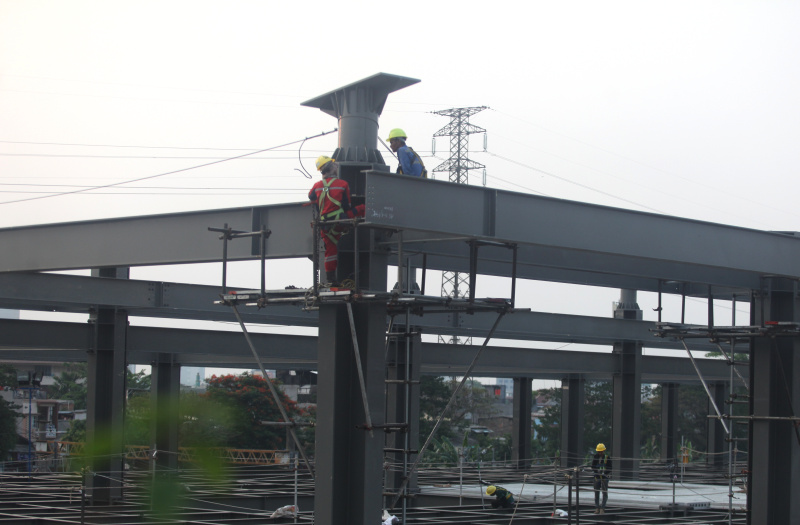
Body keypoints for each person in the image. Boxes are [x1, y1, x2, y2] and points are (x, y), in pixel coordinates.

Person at [308, 156, 364, 286]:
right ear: (331, 168)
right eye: (335, 165)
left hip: (324, 225)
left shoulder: (316, 186)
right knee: (362, 208)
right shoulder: (342, 184)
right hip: (339, 221)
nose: (336, 167)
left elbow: (311, 197)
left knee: (330, 250)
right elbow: (347, 206)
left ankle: (331, 279)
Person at [591, 443, 612, 514]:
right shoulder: (595, 457)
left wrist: (605, 473)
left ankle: (602, 508)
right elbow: (593, 466)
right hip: (597, 477)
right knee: (596, 493)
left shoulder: (607, 457)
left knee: (604, 493)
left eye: (601, 451)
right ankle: (597, 508)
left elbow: (610, 468)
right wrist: (597, 471)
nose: (600, 453)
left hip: (604, 478)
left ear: (603, 451)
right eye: (599, 451)